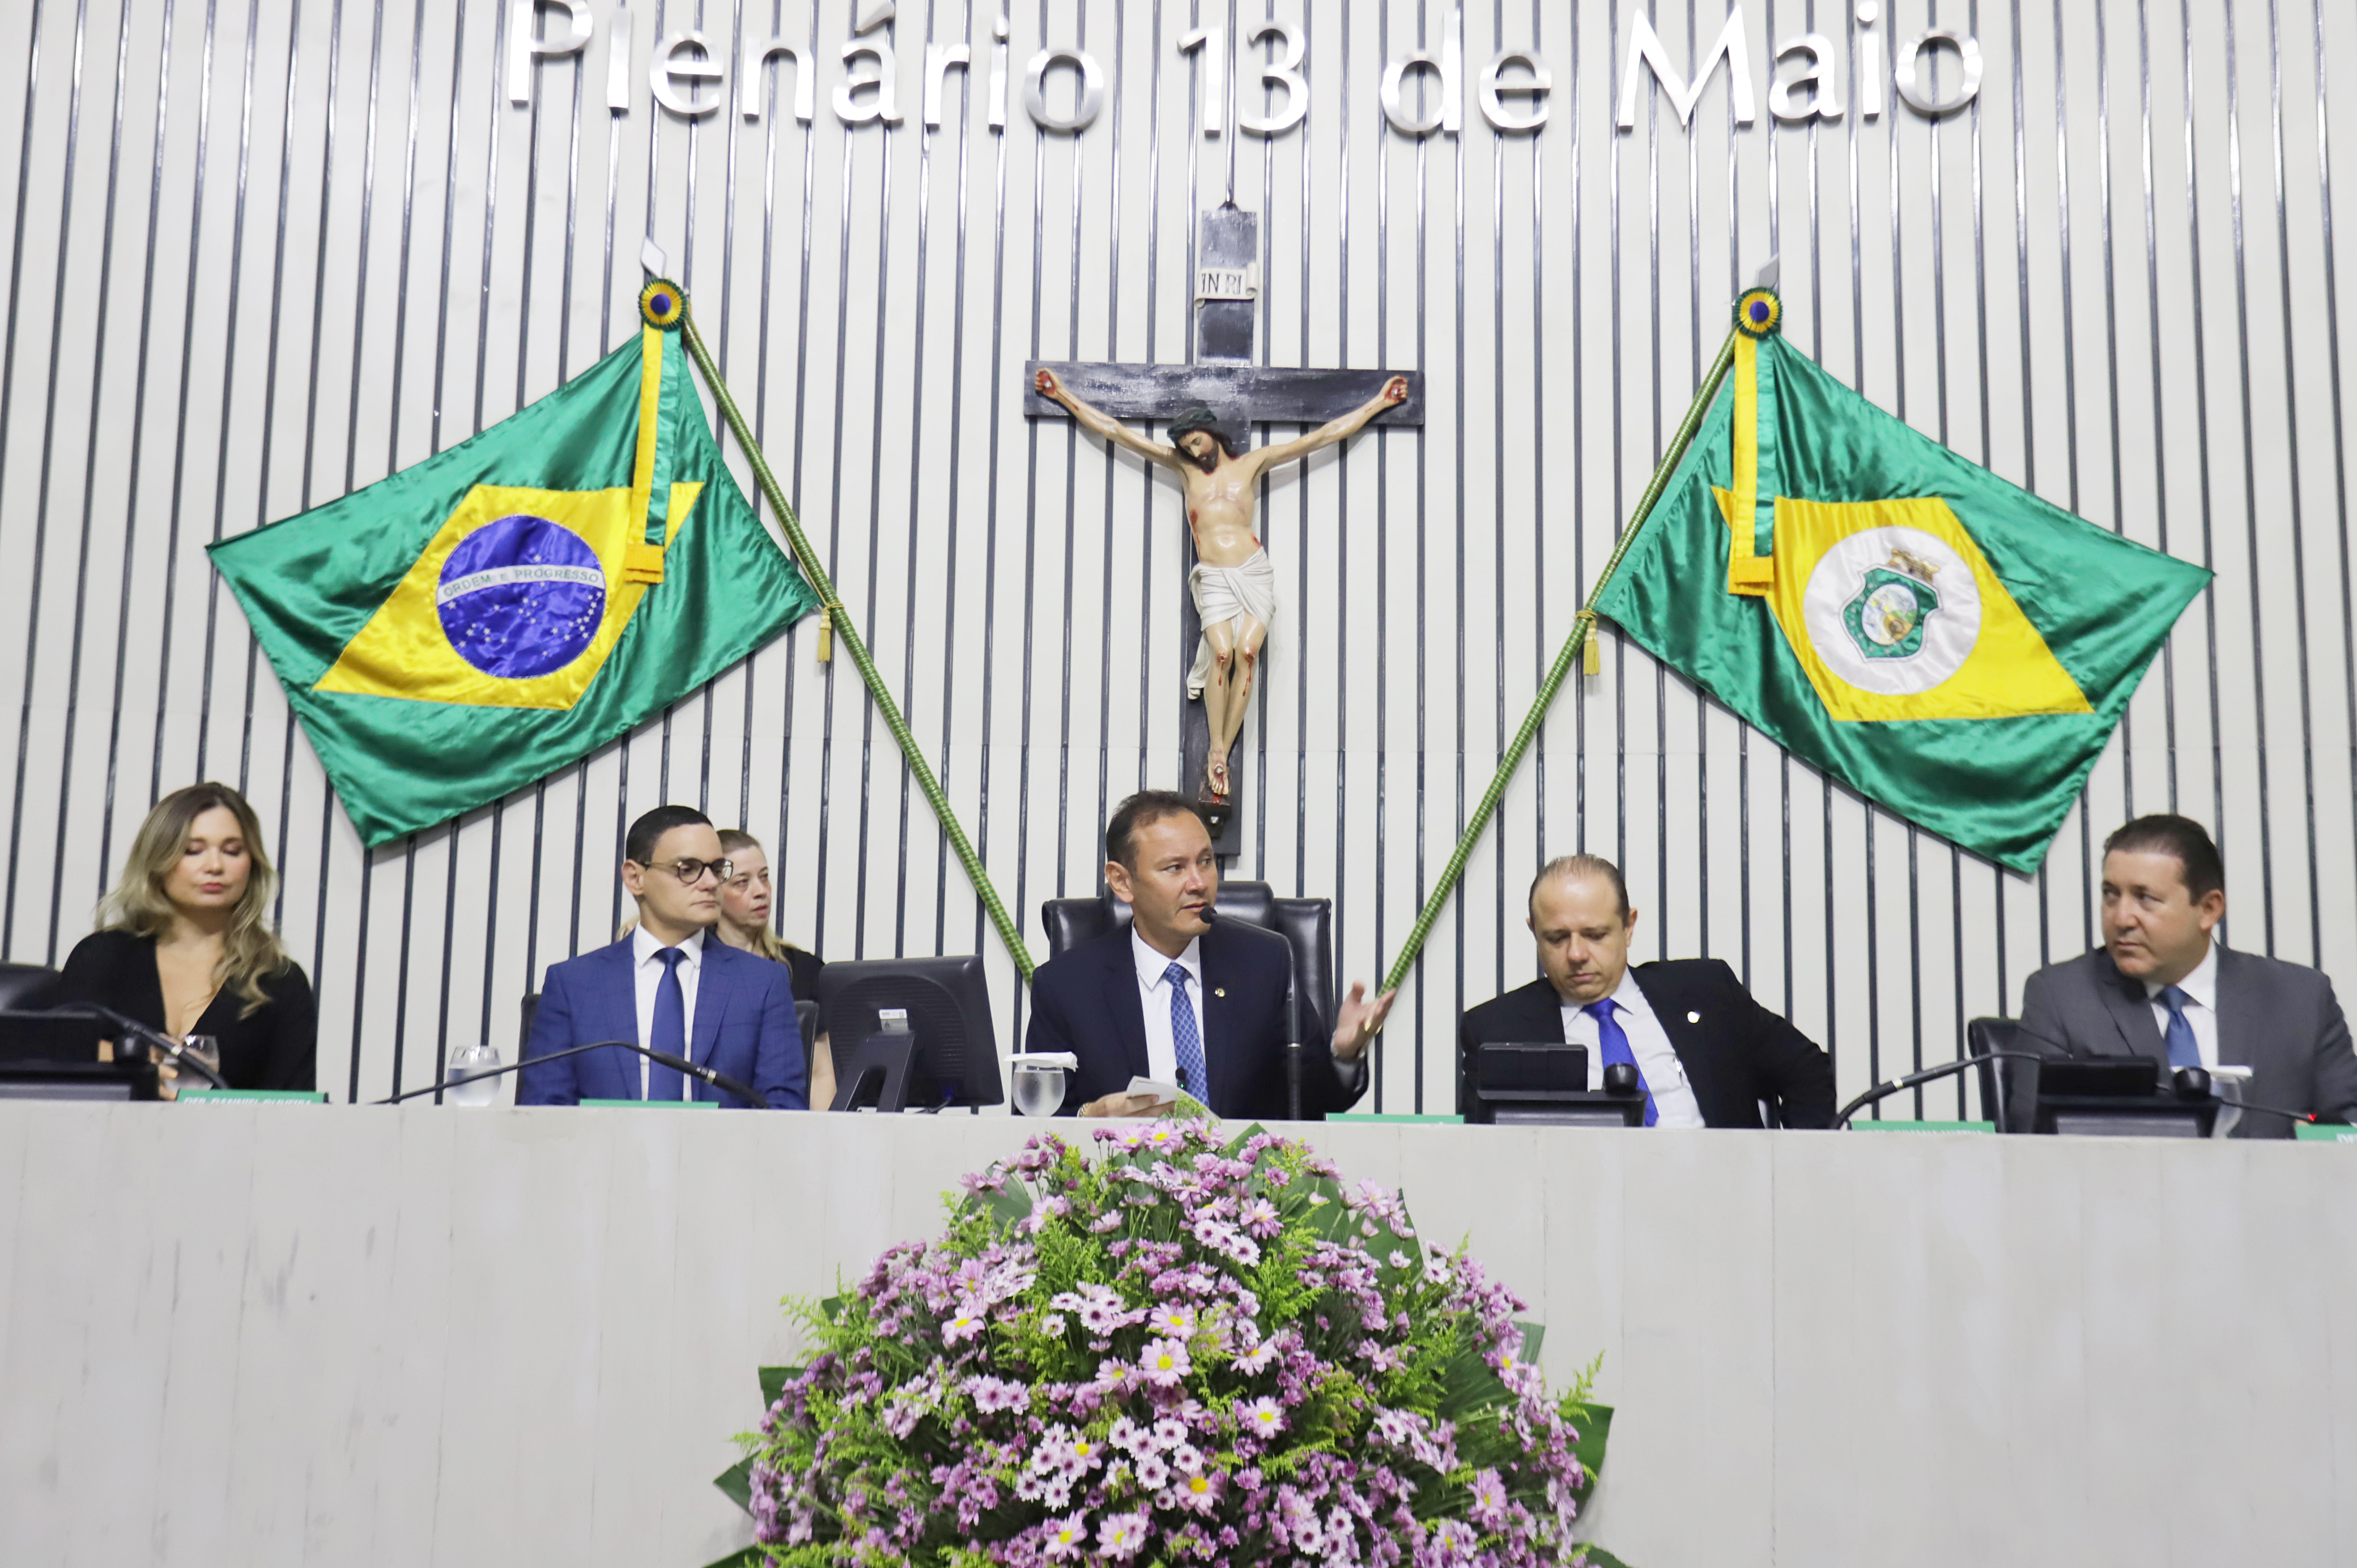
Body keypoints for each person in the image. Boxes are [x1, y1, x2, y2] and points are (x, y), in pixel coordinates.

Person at [1033, 368, 1410, 801]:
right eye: (1186, 446)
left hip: (1252, 570)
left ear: (1212, 433)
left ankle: (1222, 754)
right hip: (1213, 575)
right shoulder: (1183, 469)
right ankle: (1216, 745)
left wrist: (1380, 402)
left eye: (1197, 441)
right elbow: (1118, 432)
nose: (1193, 451)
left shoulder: (1253, 464)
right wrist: (1062, 395)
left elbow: (1323, 436)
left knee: (1247, 654)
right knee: (1223, 652)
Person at [1025, 790, 1393, 1119]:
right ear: (1122, 881)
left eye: (1206, 861)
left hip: (1246, 1174)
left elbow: (1314, 1101)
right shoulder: (1064, 987)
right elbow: (1034, 1120)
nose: (1199, 882)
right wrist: (1090, 1116)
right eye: (1175, 868)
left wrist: (1343, 1052)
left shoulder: (1264, 964)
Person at [2020, 814, 2355, 1135]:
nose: (2122, 918)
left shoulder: (2301, 1000)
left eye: (2145, 898)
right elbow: (2028, 1135)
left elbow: (2347, 1126)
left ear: (2209, 909)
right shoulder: (2062, 998)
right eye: (2111, 894)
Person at [1458, 854, 1833, 1128]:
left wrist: (1796, 1167)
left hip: (1721, 1193)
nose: (1576, 955)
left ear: (1628, 927)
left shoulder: (1707, 992)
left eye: (1595, 935)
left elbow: (1808, 1071)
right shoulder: (1496, 1030)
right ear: (1534, 932)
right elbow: (1484, 1150)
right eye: (1556, 938)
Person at [518, 805, 806, 1108]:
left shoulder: (762, 983)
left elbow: (783, 1109)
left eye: (717, 868)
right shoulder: (573, 984)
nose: (711, 883)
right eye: (688, 869)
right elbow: (544, 1111)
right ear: (635, 878)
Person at [53, 782, 316, 1096]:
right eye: (193, 851)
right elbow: (56, 1054)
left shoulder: (280, 981)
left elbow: (295, 1107)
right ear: (157, 860)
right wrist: (136, 1058)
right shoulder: (101, 956)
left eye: (232, 851)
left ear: (253, 865)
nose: (215, 866)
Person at [713, 827, 833, 1109]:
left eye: (764, 877)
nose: (761, 892)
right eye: (742, 882)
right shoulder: (693, 966)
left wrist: (819, 1131)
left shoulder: (803, 969)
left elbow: (821, 1073)